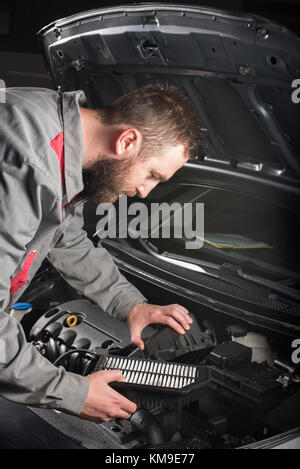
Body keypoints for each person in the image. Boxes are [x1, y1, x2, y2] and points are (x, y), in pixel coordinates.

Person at [0, 84, 204, 423]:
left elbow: (66, 236)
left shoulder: (55, 131)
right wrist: (72, 392)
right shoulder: (28, 164)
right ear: (127, 141)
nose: (143, 192)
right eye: (152, 174)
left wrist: (131, 304)